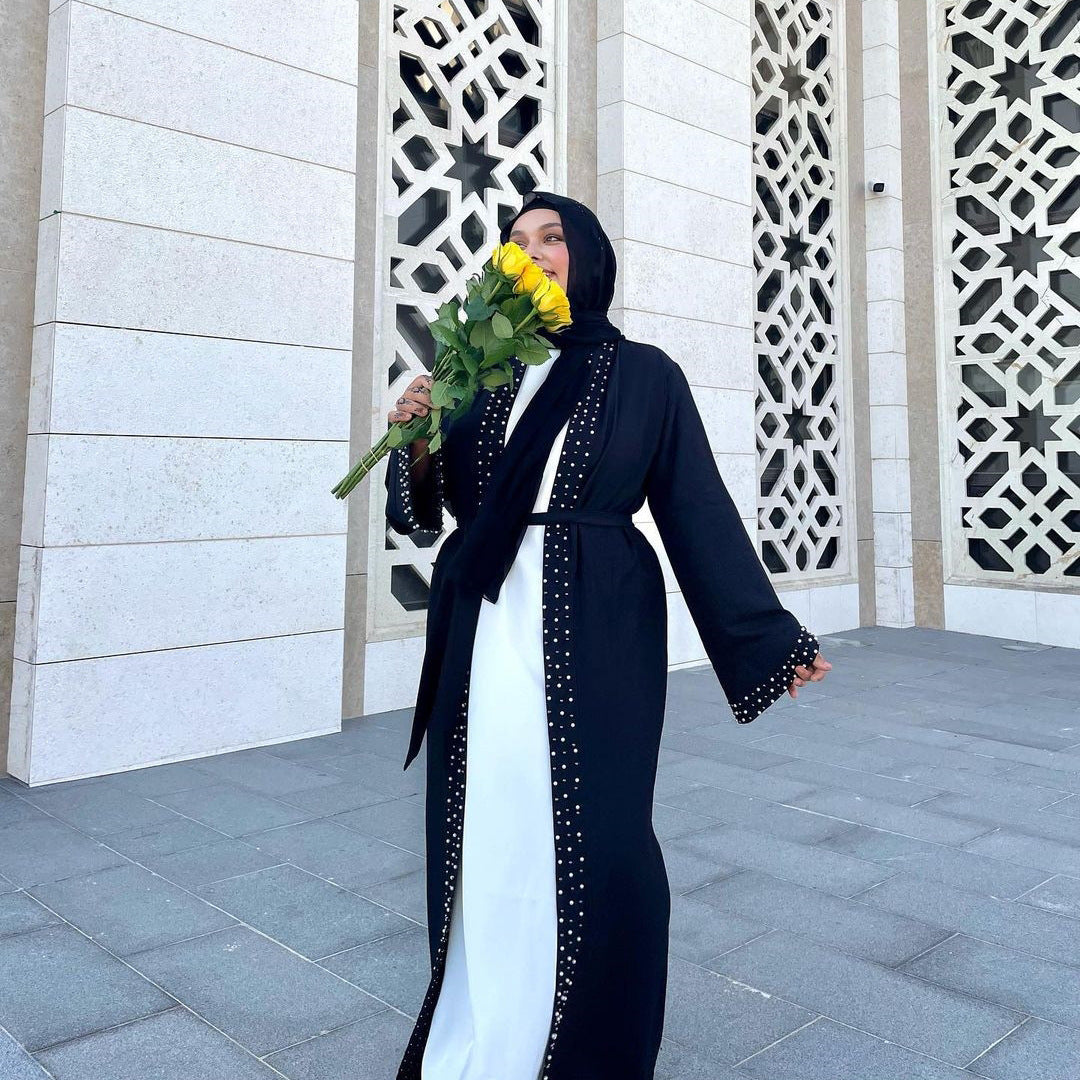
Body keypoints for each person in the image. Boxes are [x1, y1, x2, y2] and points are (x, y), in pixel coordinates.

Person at [383, 191, 831, 1080]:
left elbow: (696, 508)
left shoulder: (646, 375)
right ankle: (490, 1039)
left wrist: (766, 637)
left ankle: (590, 1051)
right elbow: (426, 516)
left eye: (551, 237)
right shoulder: (479, 370)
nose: (532, 253)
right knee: (491, 821)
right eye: (516, 243)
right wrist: (416, 439)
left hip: (597, 621)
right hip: (485, 620)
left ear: (587, 255)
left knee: (605, 840)